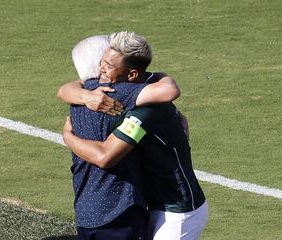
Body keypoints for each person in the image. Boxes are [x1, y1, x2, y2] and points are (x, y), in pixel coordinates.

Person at [62, 31, 208, 240]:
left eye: (109, 65)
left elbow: (104, 156)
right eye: (102, 62)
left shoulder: (144, 107)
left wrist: (68, 137)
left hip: (178, 211)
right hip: (154, 204)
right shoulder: (138, 87)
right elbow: (69, 88)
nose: (101, 69)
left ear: (131, 75)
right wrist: (85, 95)